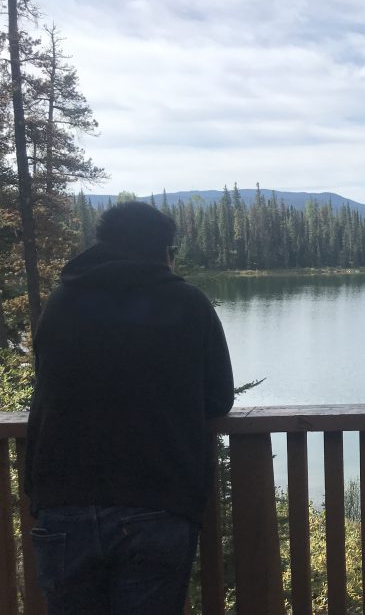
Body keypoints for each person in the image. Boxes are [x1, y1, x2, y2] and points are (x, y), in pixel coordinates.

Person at [25, 201, 235, 615]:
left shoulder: (61, 302)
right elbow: (218, 398)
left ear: (101, 244)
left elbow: (47, 384)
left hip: (63, 499)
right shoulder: (189, 304)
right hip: (158, 500)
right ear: (165, 252)